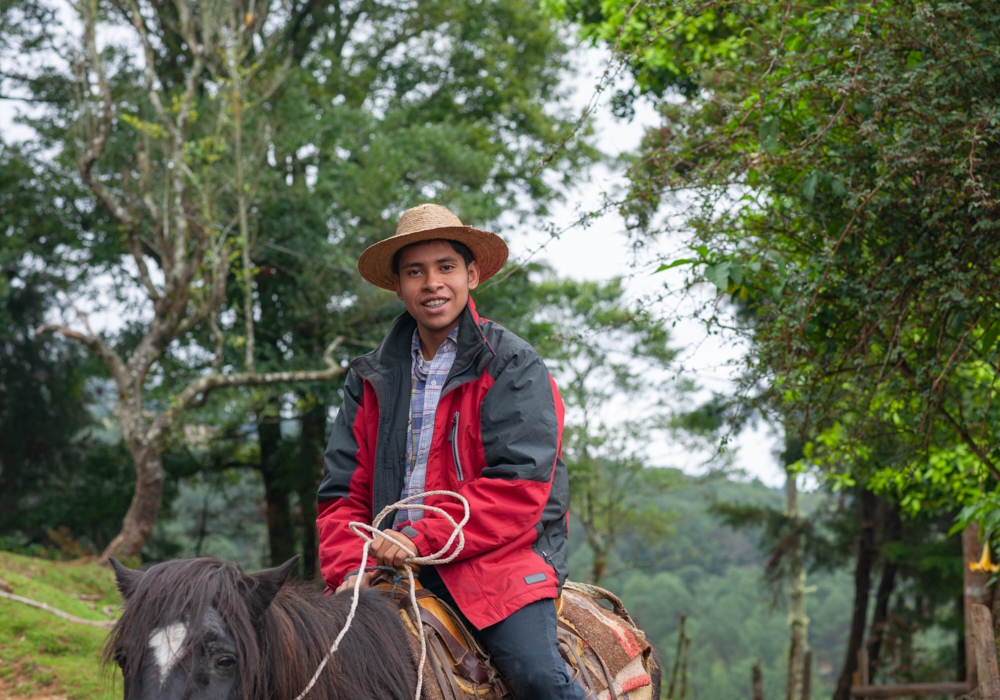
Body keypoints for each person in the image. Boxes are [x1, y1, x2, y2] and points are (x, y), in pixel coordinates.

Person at [316, 203, 584, 699]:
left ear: (472, 275)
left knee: (537, 679)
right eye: (415, 271)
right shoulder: (369, 378)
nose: (432, 283)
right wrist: (352, 567)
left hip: (497, 562)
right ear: (397, 286)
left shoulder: (514, 365)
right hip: (386, 568)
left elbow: (519, 488)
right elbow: (341, 495)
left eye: (446, 268)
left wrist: (421, 537)